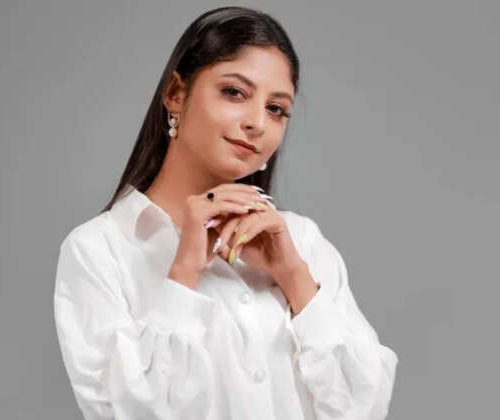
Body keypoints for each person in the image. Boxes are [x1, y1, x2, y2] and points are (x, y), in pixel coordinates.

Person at [53, 6, 398, 420]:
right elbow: (131, 412)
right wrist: (183, 273)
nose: (257, 123)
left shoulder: (302, 242)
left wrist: (294, 278)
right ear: (175, 94)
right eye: (234, 92)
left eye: (276, 109)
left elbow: (365, 408)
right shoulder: (99, 250)